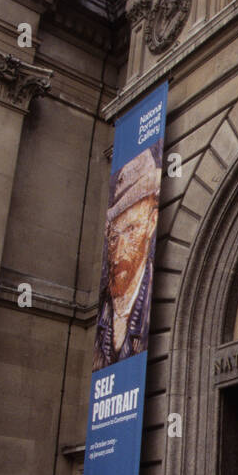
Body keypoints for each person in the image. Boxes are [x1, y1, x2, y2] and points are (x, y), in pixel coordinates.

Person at [92, 146, 161, 370]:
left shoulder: (152, 304)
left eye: (131, 229)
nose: (119, 250)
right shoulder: (103, 310)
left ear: (152, 223)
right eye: (114, 236)